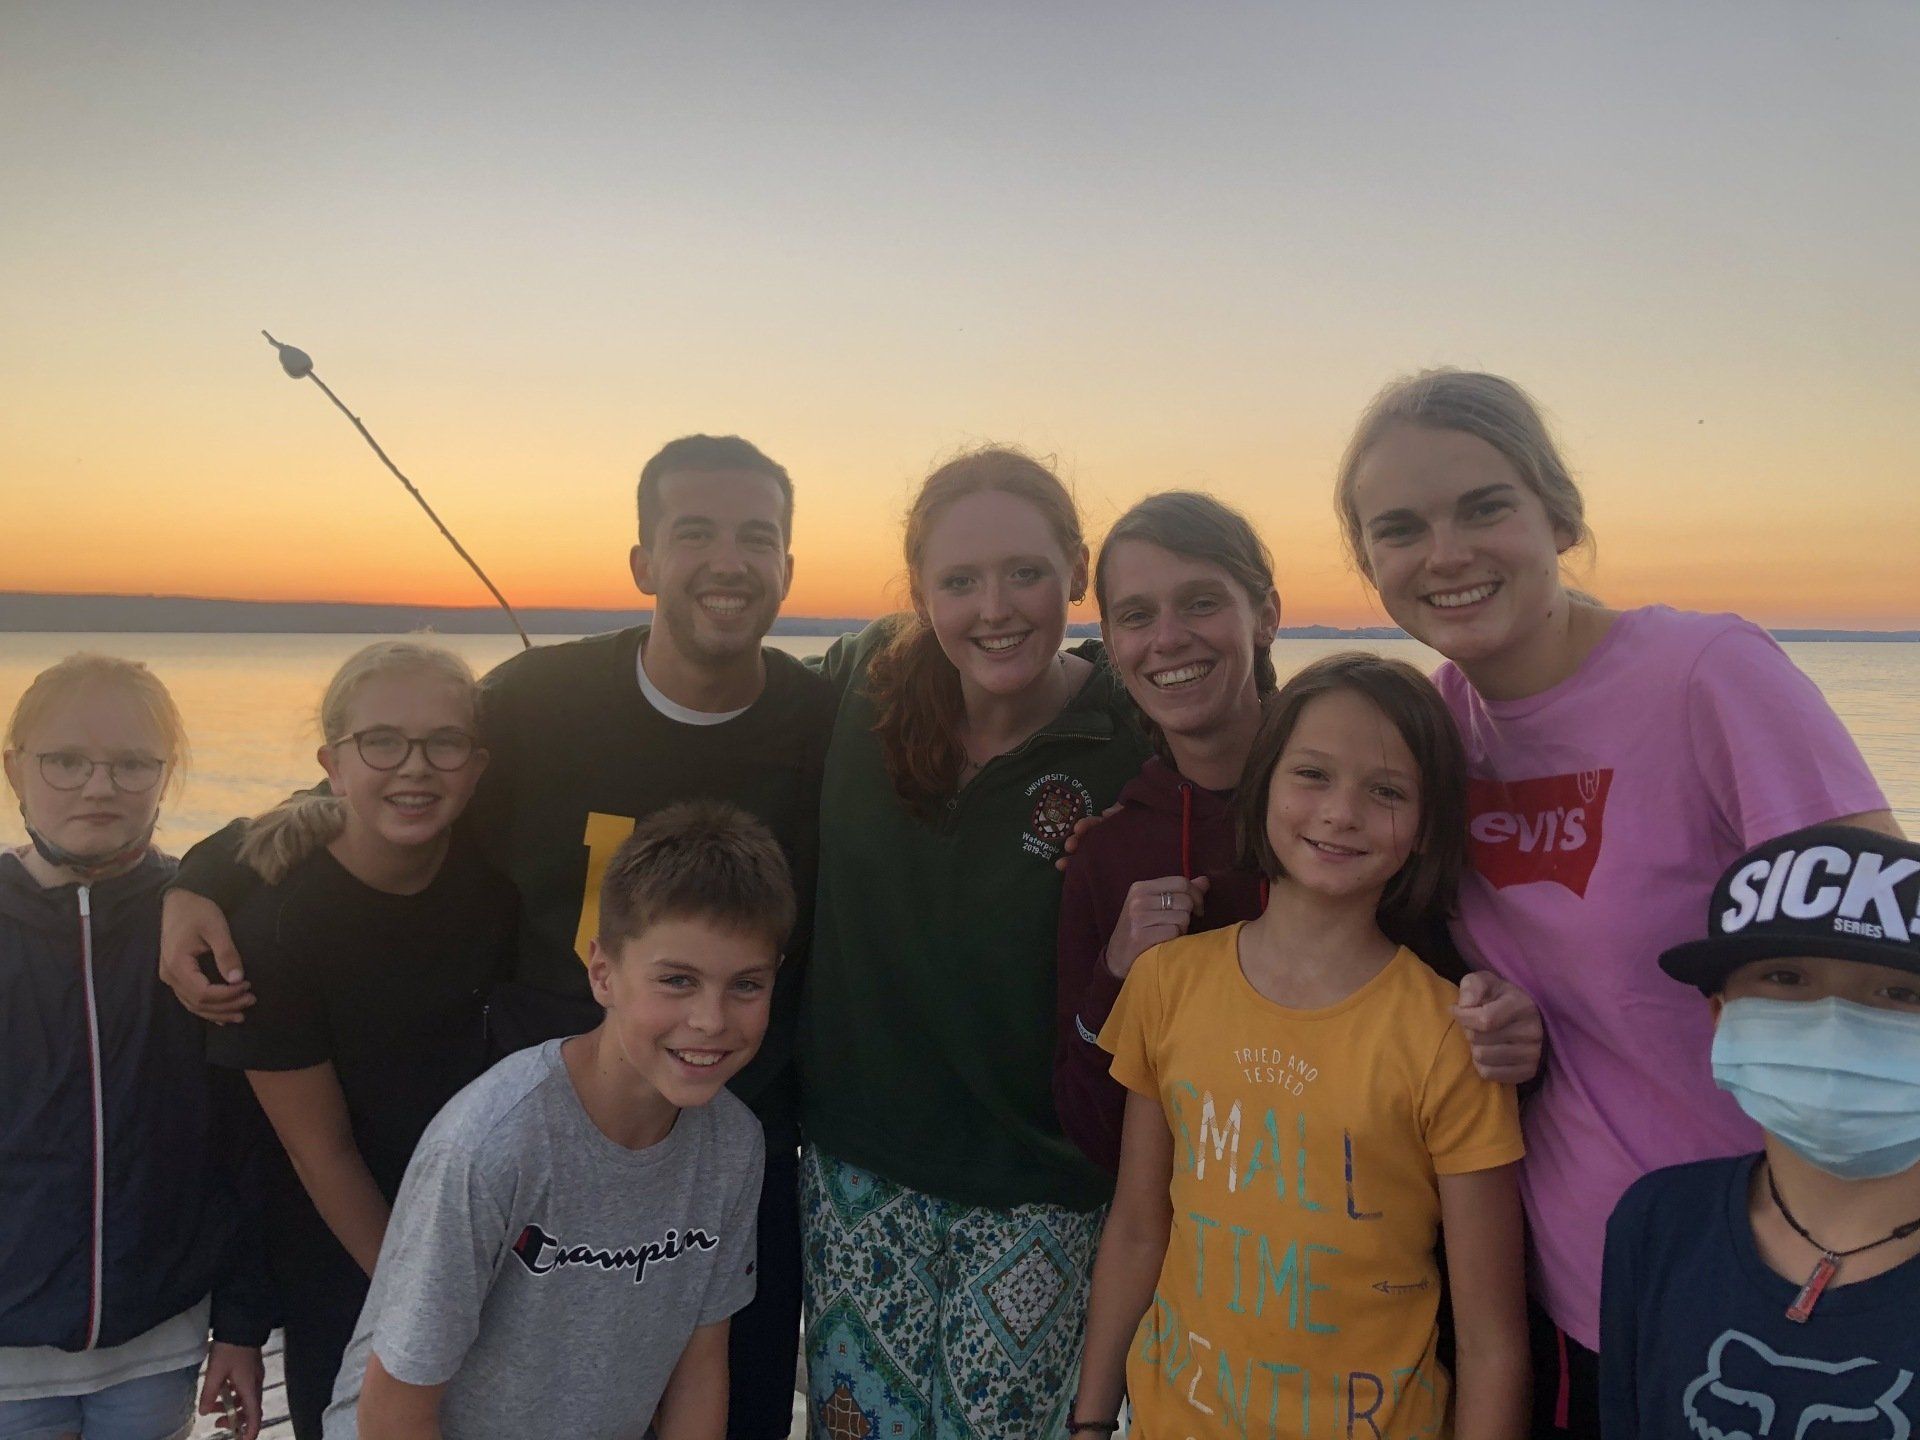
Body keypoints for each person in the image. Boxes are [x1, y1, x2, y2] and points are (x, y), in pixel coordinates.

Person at [160, 434, 836, 1440]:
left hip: (730, 1153)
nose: (729, 561)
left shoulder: (827, 723)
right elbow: (393, 780)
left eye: (758, 537)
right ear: (645, 563)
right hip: (548, 1159)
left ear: (788, 564)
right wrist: (200, 874)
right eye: (695, 533)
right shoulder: (540, 706)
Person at [1333, 368, 1900, 1434]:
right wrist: (1499, 1013)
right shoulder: (1440, 726)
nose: (1445, 553)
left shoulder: (1705, 674)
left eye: (1485, 507)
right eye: (1401, 529)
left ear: (1559, 514)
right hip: (1567, 1285)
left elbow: (1890, 960)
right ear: (1371, 565)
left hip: (1772, 1274)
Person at [1074, 653, 1530, 1440]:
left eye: (1386, 791)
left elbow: (1491, 1343)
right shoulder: (1168, 983)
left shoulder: (1449, 1034)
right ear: (1264, 787)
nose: (1341, 812)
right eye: (1312, 775)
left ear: (1426, 828)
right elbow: (1139, 1226)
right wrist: (1088, 1422)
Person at [797, 447, 1152, 1439]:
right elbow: (715, 729)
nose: (995, 608)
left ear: (1076, 573)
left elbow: (1275, 799)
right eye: (959, 582)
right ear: (920, 592)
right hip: (855, 1171)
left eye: (1024, 573)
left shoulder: (1130, 734)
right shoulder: (860, 681)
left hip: (1043, 1187)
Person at [1054, 492, 1543, 1176]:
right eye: (1137, 616)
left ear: (1266, 617)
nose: (1167, 638)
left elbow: (1472, 1032)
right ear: (1112, 643)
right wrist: (1114, 975)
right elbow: (1094, 1132)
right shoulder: (1113, 853)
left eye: (1201, 602)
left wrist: (1513, 1032)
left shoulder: (1367, 814)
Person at [322, 800, 790, 1440]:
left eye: (745, 985)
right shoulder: (491, 1145)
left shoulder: (735, 1145)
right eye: (677, 980)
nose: (711, 1020)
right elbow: (393, 1407)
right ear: (603, 973)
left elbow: (701, 1359)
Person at [203, 641, 516, 1440]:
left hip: (497, 1239)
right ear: (332, 764)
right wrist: (426, 1303)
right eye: (382, 742)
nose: (415, 768)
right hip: (348, 1254)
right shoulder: (275, 930)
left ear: (476, 767)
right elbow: (322, 1155)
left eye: (444, 743)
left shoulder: (492, 879)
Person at [1, 655, 269, 1440]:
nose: (98, 785)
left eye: (131, 763)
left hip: (160, 1342)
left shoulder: (203, 923)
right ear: (16, 767)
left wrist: (244, 1325)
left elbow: (247, 1145)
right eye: (67, 760)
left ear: (166, 774)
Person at [1602, 824, 1920, 1434]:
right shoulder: (1658, 1223)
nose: (1835, 1027)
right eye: (1787, 979)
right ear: (1722, 1018)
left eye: (1899, 990)